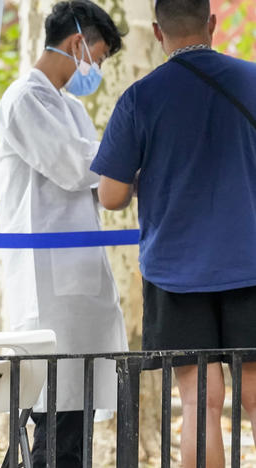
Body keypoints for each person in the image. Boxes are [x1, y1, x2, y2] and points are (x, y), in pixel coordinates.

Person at [90, 0, 256, 466]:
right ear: (213, 24)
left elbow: (111, 196)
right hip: (251, 263)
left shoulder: (141, 97)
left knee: (199, 401)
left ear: (159, 34)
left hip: (175, 271)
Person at [0, 1, 127, 466]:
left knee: (66, 420)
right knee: (57, 422)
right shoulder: (24, 99)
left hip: (78, 285)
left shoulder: (69, 107)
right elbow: (74, 166)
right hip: (47, 287)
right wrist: (132, 156)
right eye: (100, 57)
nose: (98, 69)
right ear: (77, 44)